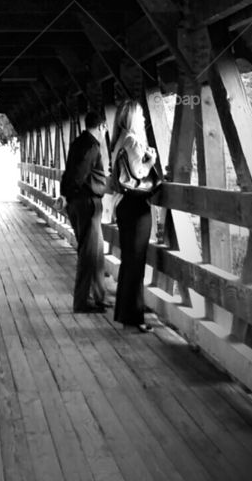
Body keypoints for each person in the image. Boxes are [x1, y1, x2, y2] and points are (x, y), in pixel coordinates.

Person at [110, 99, 159, 332]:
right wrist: (152, 162)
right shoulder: (132, 140)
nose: (144, 119)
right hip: (137, 207)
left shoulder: (119, 140)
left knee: (129, 261)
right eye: (141, 116)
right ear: (131, 118)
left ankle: (126, 315)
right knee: (135, 263)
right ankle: (134, 319)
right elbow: (139, 174)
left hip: (124, 206)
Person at [60, 110, 109, 313]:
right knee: (88, 253)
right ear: (101, 127)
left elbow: (68, 171)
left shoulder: (77, 142)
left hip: (78, 202)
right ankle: (81, 302)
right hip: (86, 203)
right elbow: (79, 175)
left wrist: (64, 195)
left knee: (96, 252)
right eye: (105, 128)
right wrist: (70, 195)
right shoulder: (91, 146)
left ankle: (100, 297)